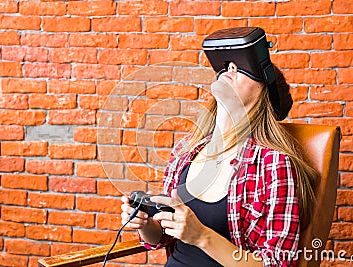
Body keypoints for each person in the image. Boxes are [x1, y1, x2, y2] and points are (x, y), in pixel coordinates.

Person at [121, 27, 318, 267]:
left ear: (264, 93)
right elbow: (162, 236)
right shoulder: (186, 150)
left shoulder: (273, 164)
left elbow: (277, 264)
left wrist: (202, 236)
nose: (230, 68)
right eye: (227, 65)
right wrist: (145, 225)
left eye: (244, 68)